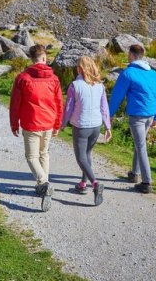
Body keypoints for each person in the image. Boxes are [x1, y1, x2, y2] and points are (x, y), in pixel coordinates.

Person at [10, 44, 63, 212]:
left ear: (32, 59)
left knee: (31, 157)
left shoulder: (23, 78)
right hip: (48, 122)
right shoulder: (53, 78)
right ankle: (43, 186)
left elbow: (15, 104)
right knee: (43, 154)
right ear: (44, 58)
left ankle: (44, 183)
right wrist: (57, 123)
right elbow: (59, 103)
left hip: (31, 123)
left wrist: (14, 123)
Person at [108, 44, 156, 194]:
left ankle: (146, 182)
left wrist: (109, 114)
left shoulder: (128, 73)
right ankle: (134, 174)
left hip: (137, 115)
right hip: (150, 114)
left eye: (128, 54)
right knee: (140, 144)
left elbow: (116, 96)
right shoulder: (154, 74)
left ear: (131, 55)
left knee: (141, 146)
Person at [60, 56, 112, 206]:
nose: (76, 68)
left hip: (81, 125)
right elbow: (104, 108)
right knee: (87, 154)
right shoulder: (100, 85)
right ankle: (83, 184)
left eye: (77, 66)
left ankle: (95, 184)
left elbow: (69, 107)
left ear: (80, 69)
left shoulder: (75, 85)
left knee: (81, 157)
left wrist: (63, 123)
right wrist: (107, 127)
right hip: (96, 125)